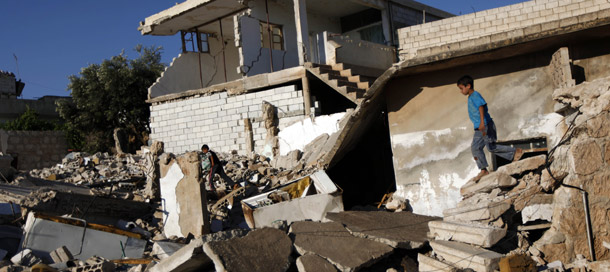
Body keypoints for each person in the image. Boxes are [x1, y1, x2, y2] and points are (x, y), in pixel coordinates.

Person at [457, 75, 524, 182]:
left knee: (491, 147)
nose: (461, 91)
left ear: (468, 86)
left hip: (485, 126)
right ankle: (483, 170)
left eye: (461, 88)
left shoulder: (475, 95)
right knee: (476, 148)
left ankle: (515, 152)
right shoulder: (471, 97)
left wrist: (483, 123)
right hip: (480, 128)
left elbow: (481, 106)